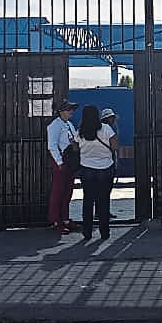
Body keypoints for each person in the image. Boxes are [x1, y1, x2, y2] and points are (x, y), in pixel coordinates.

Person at [76, 104, 119, 241]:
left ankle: (87, 232)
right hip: (105, 169)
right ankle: (104, 232)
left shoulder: (80, 131)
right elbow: (115, 146)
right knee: (103, 202)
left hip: (86, 169)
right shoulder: (106, 129)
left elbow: (75, 148)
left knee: (88, 201)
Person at [46, 99, 79, 235]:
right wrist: (59, 162)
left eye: (71, 109)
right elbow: (52, 146)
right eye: (68, 109)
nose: (71, 112)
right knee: (58, 192)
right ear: (61, 111)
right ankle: (56, 220)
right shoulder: (54, 126)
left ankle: (65, 218)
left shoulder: (69, 125)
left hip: (70, 161)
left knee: (67, 191)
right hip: (61, 161)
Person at [100, 108, 121, 220]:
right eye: (112, 118)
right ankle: (102, 212)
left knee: (103, 191)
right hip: (107, 163)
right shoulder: (108, 130)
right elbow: (114, 147)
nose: (113, 120)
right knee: (105, 190)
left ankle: (103, 211)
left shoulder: (106, 129)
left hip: (107, 162)